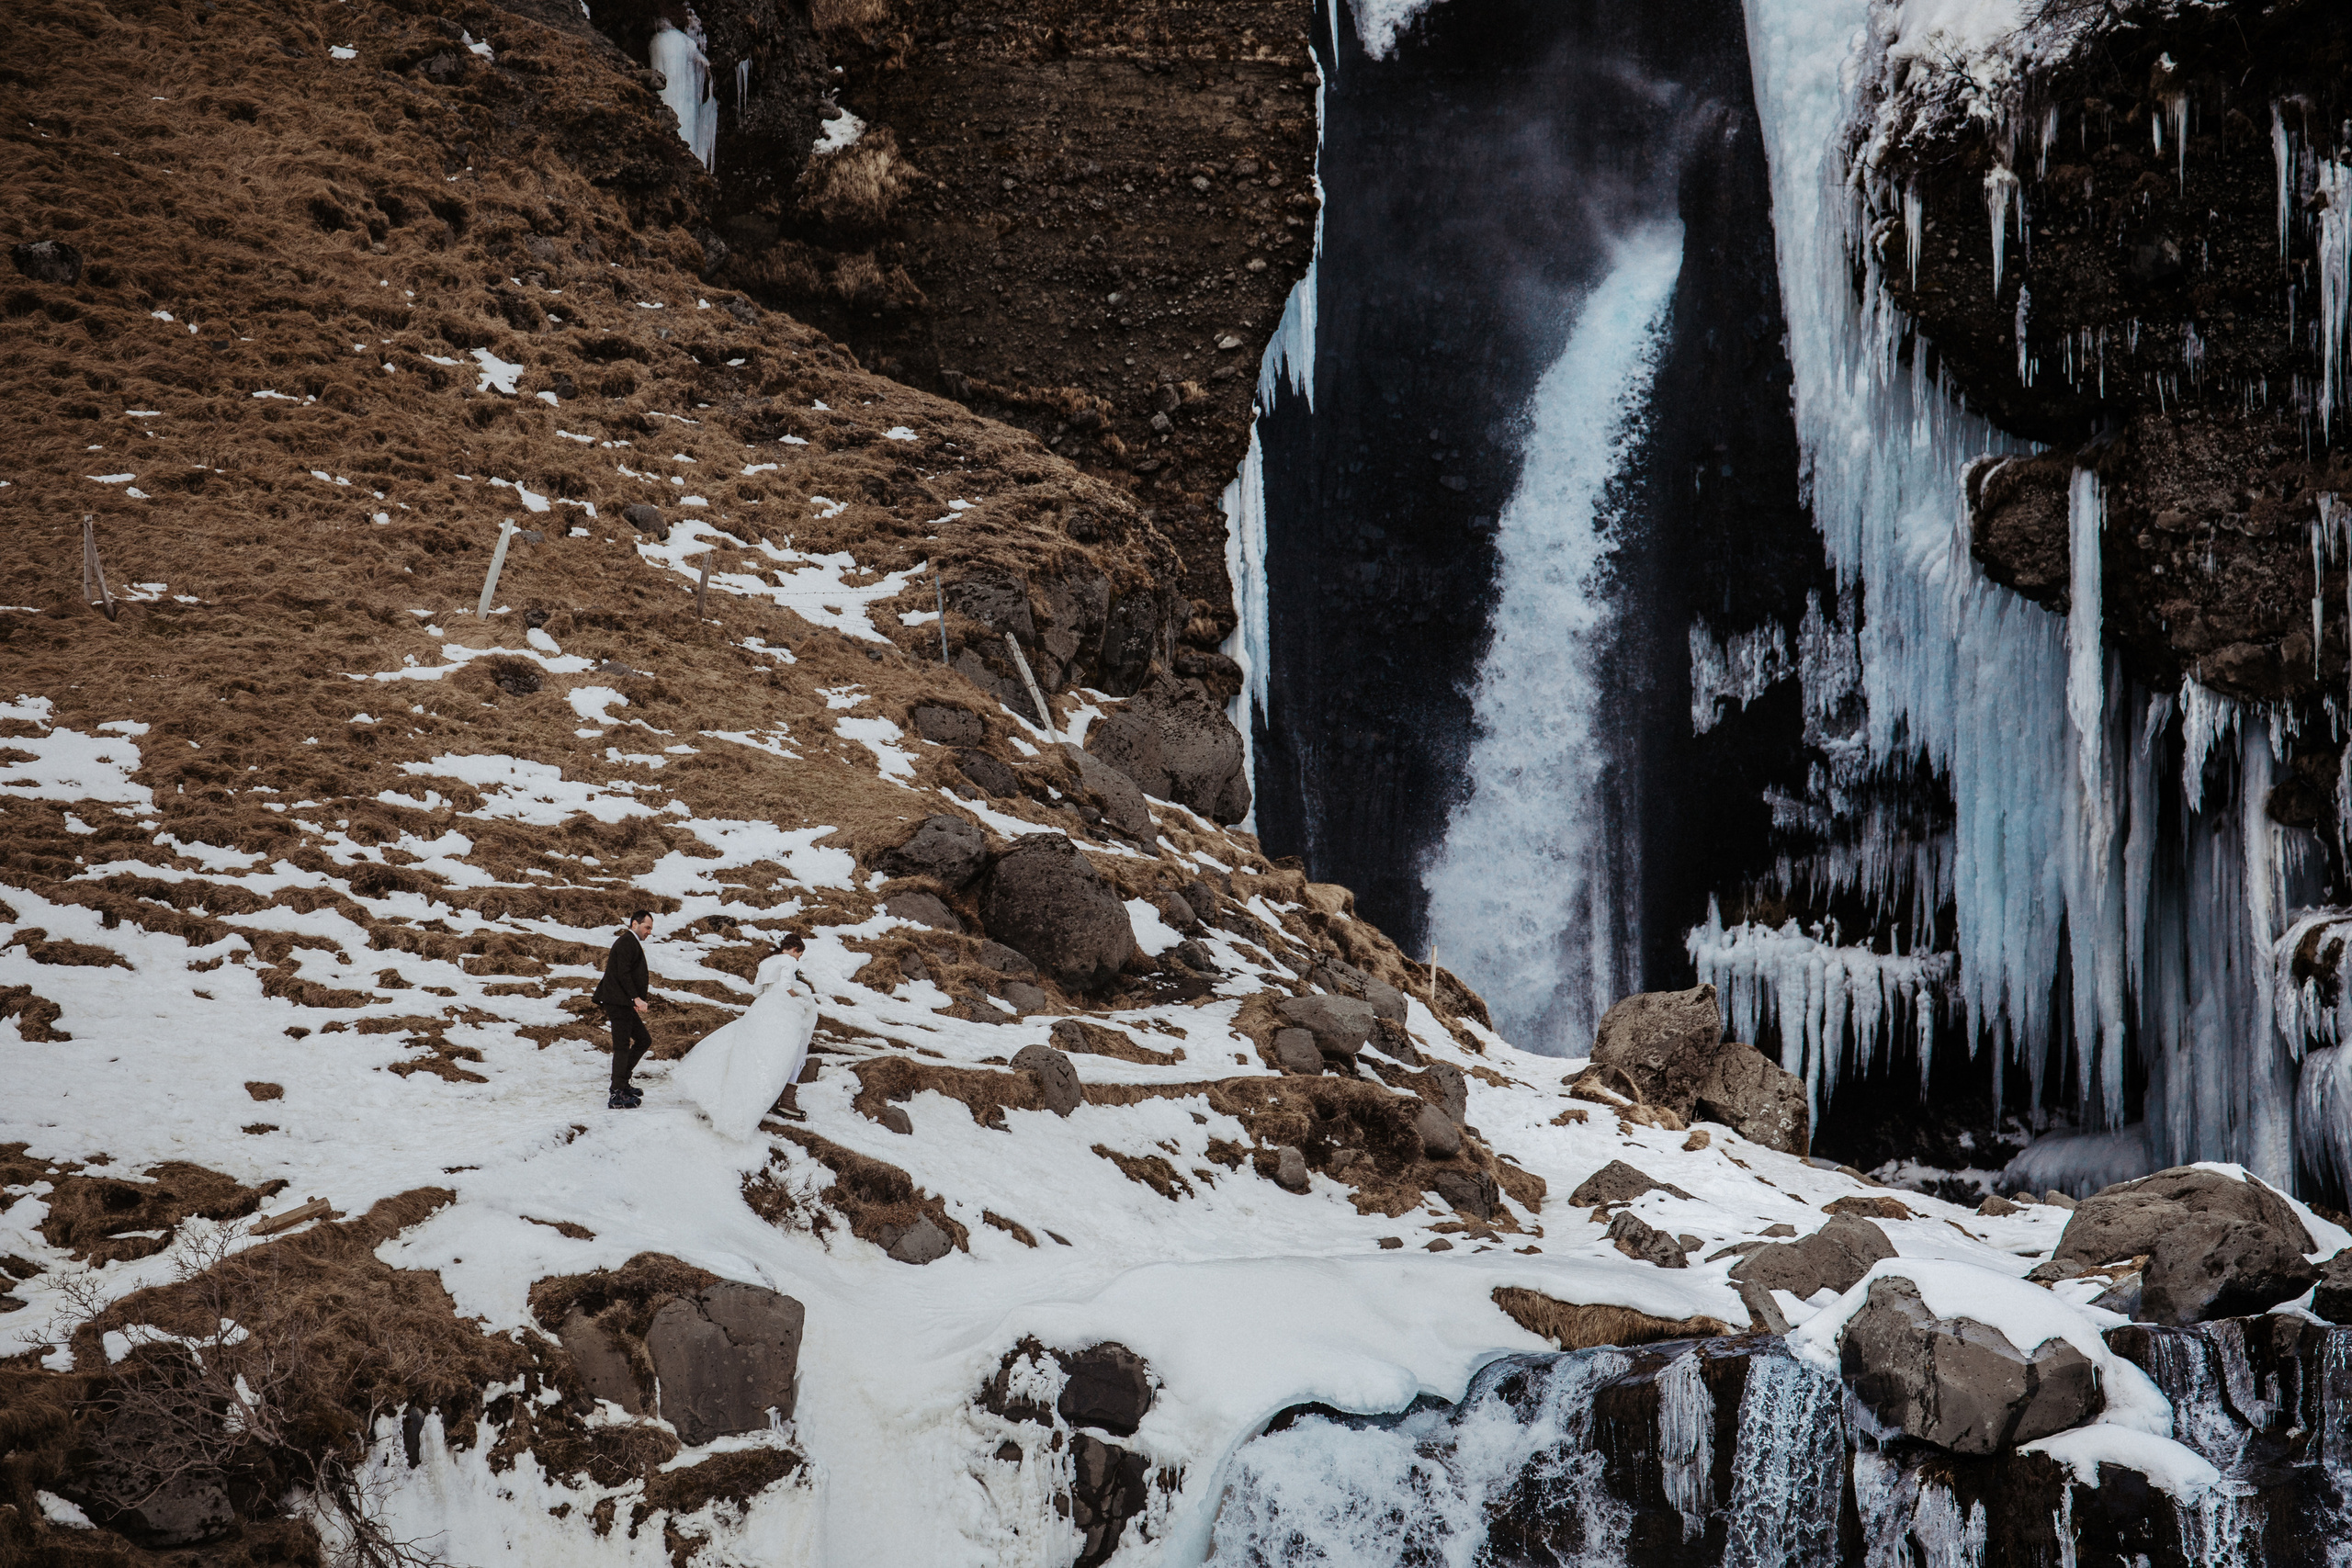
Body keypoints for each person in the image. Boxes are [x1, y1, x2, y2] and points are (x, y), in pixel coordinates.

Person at [673, 930, 820, 1140]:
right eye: (799, 955)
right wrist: (800, 999)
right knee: (786, 1053)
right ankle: (785, 1102)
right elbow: (786, 986)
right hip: (782, 1011)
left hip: (761, 1008)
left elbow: (757, 992)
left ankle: (768, 1100)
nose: (798, 959)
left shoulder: (766, 962)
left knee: (757, 1053)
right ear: (795, 949)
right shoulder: (788, 960)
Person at [593, 910, 655, 1109]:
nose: (649, 932)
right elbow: (623, 974)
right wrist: (635, 998)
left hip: (623, 1002)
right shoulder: (627, 941)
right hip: (618, 1001)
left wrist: (632, 1000)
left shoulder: (630, 941)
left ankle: (622, 1082)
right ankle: (617, 1093)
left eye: (651, 929)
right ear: (635, 924)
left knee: (644, 1040)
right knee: (621, 1046)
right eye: (647, 927)